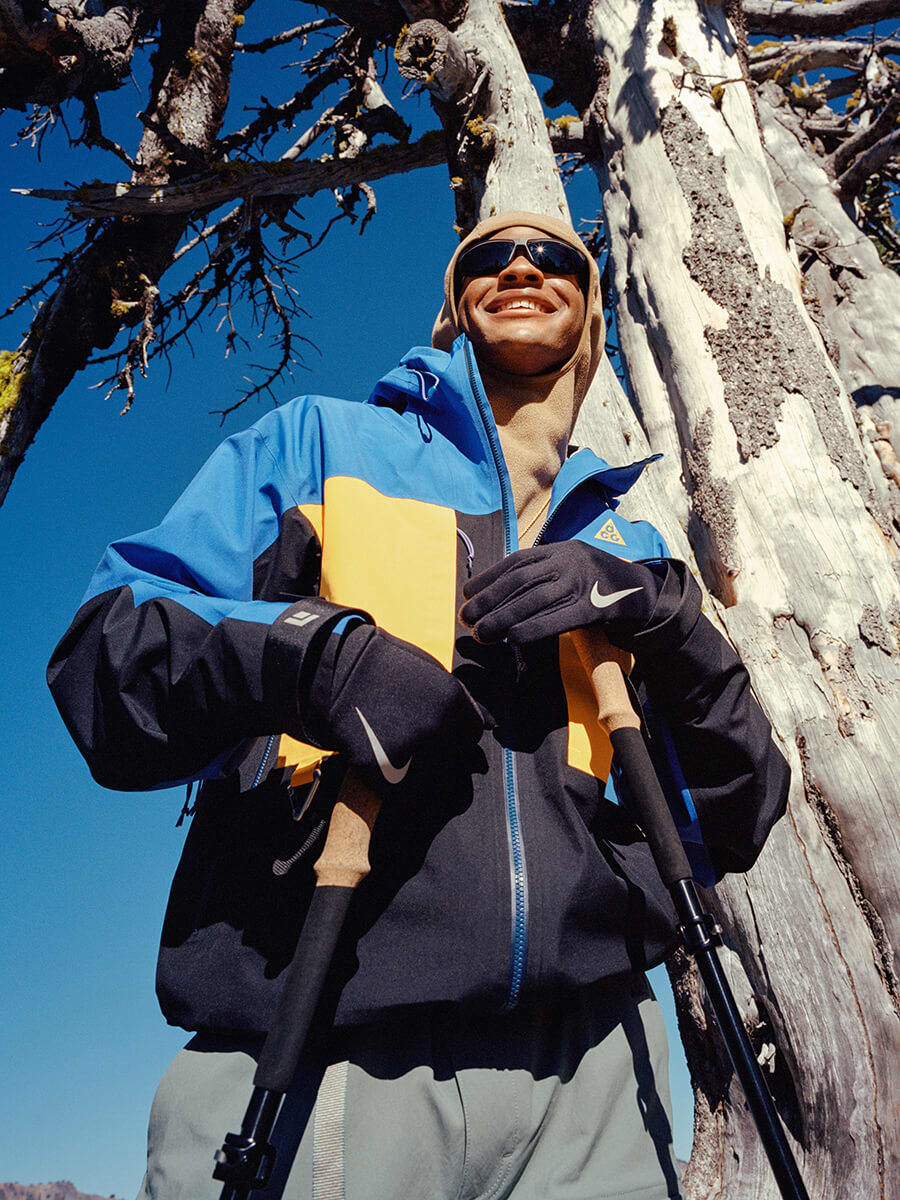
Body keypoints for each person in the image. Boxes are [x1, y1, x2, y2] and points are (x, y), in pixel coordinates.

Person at [48, 210, 789, 1200]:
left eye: (555, 258)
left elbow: (728, 821)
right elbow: (106, 656)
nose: (520, 266)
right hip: (325, 1043)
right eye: (488, 257)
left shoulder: (625, 538)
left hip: (598, 1082)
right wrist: (320, 662)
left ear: (594, 308)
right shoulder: (320, 445)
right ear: (454, 305)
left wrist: (674, 624)